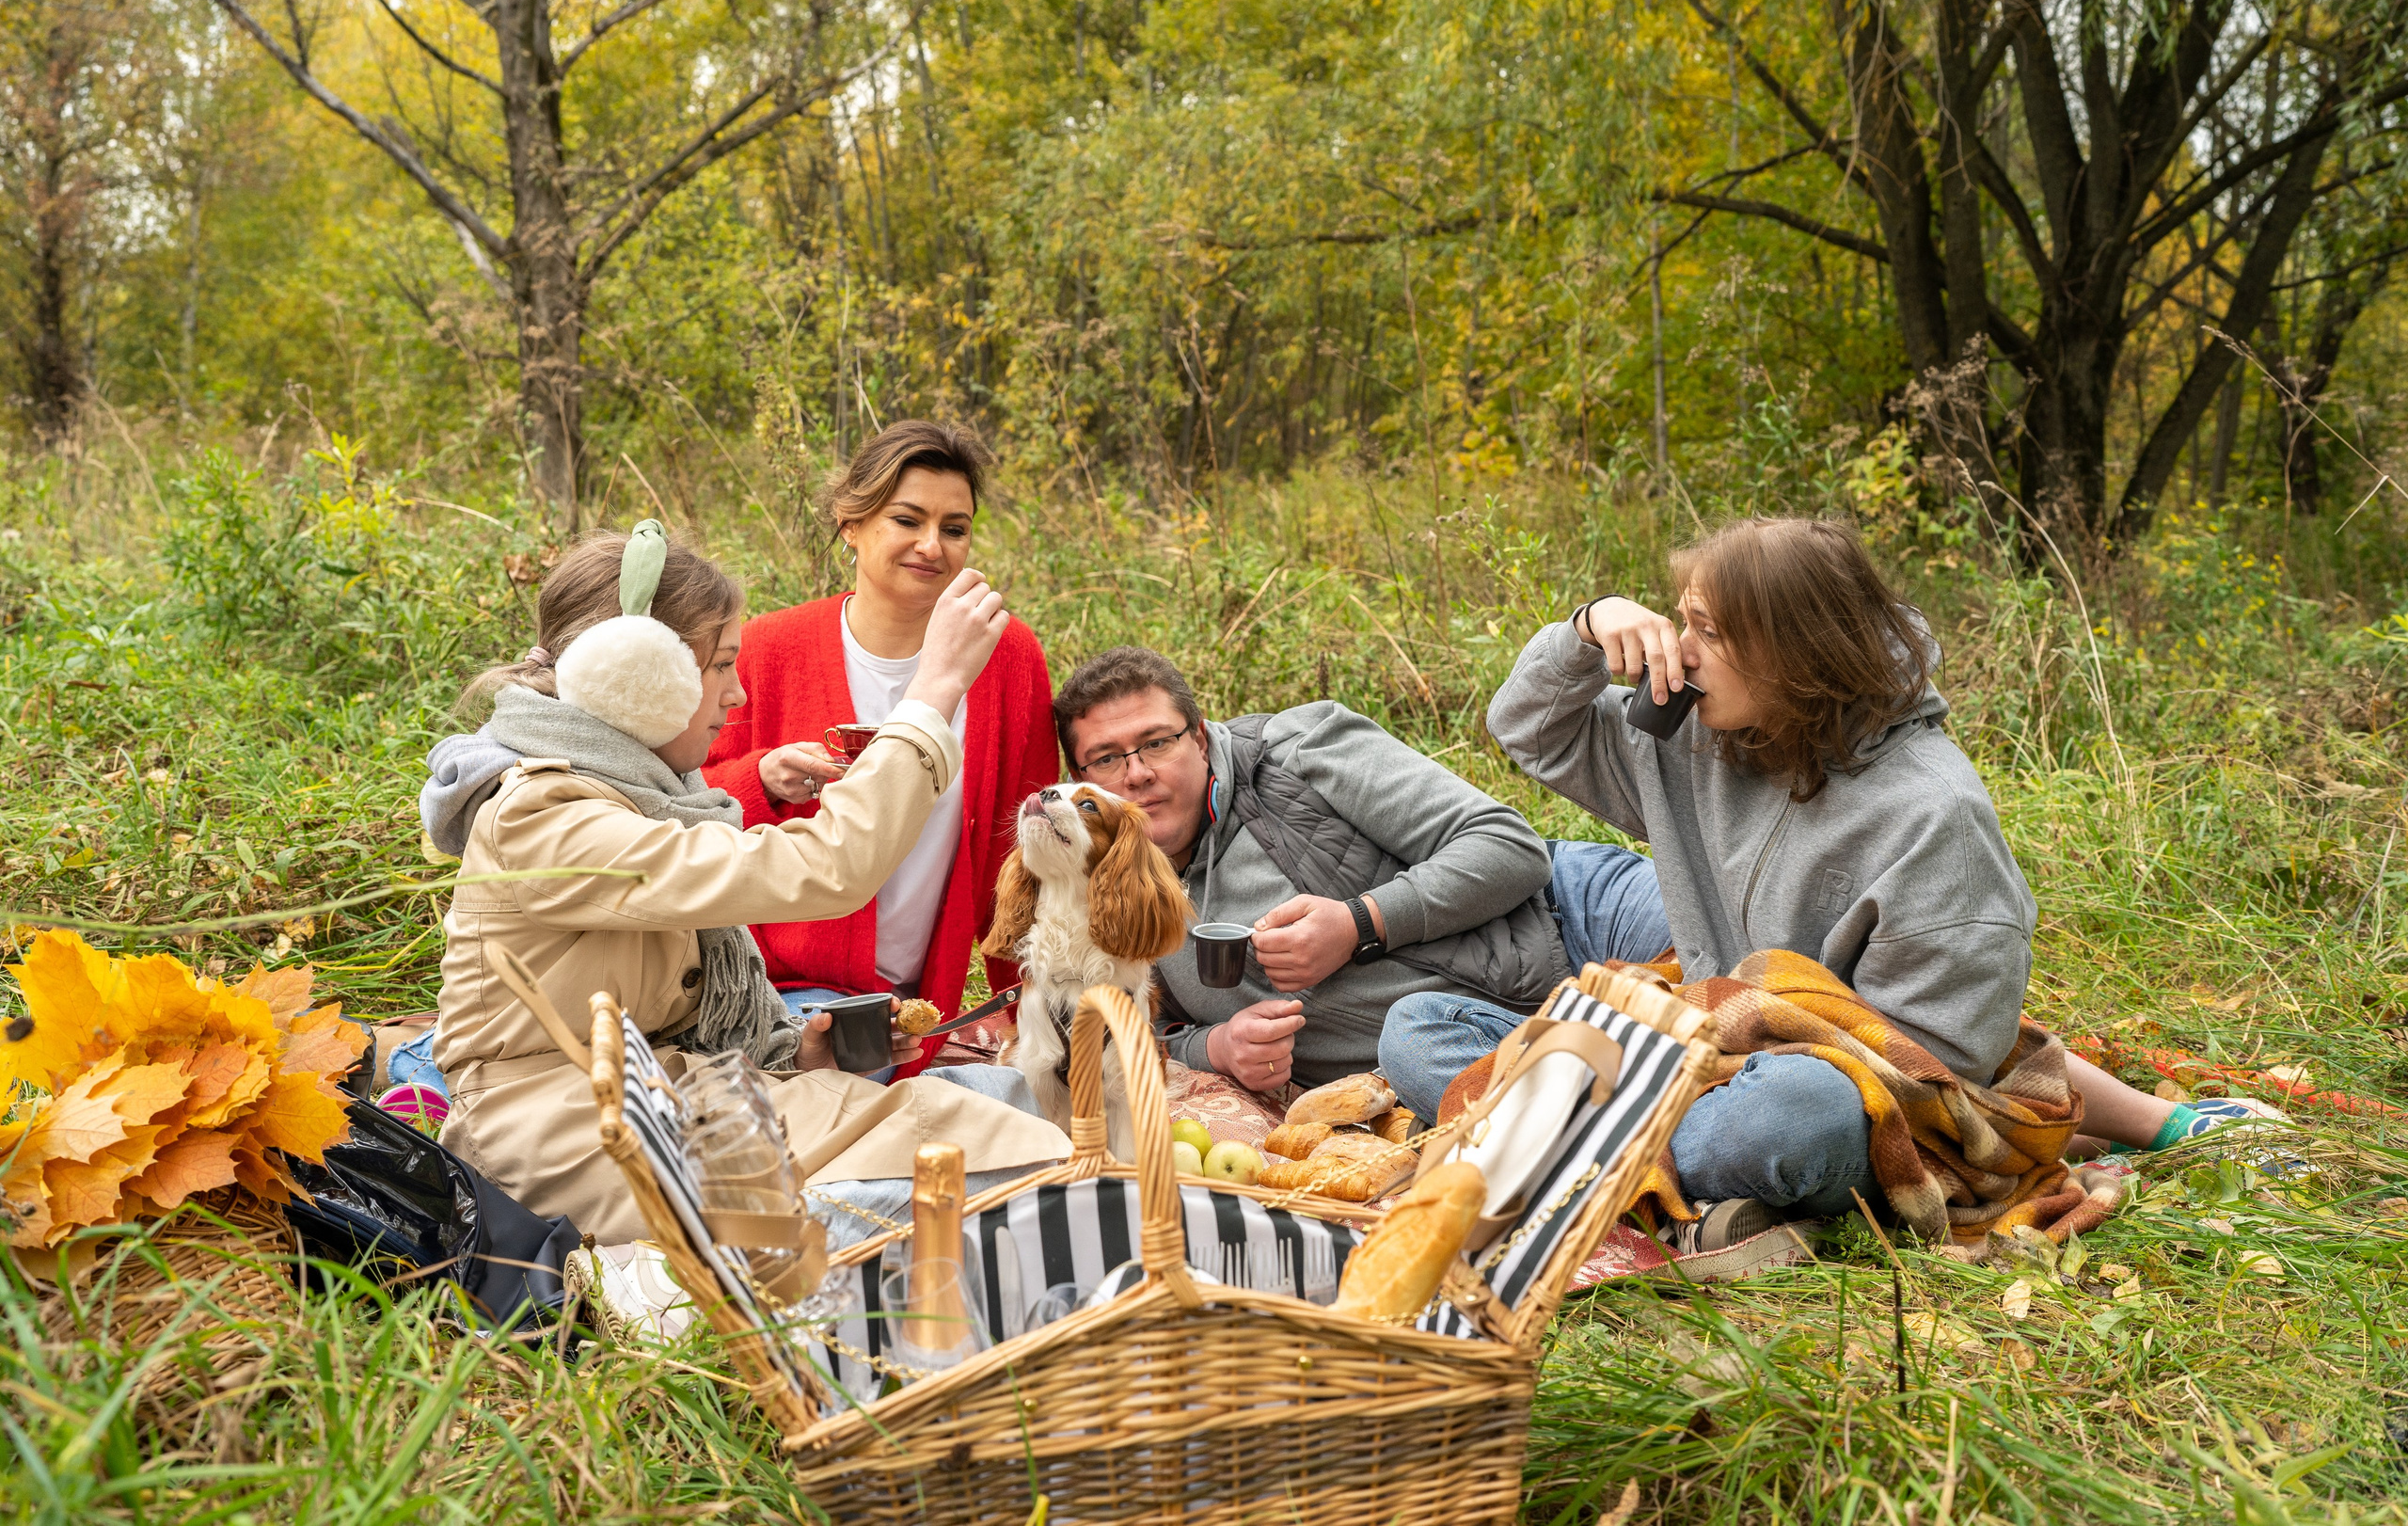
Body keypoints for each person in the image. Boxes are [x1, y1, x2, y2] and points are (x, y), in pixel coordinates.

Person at [1387, 517, 2273, 1249]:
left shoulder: (1932, 814)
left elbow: (1943, 1061)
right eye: (1681, 618)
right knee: (1417, 1028)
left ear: (1795, 653)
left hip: (1836, 1097)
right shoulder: (1700, 732)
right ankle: (1675, 1195)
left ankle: (1568, 1162)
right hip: (1704, 1060)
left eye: (1707, 630)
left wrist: (1742, 1051)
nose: (1680, 649)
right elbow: (1531, 730)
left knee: (1790, 1119)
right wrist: (1585, 630)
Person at [415, 522, 1067, 1246]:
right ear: (636, 674)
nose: (738, 693)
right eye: (721, 666)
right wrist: (933, 692)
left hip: (658, 1094)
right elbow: (828, 865)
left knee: (995, 1111)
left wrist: (799, 1055)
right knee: (966, 1157)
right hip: (553, 1136)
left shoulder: (644, 797)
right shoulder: (542, 819)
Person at [1051, 645, 1638, 1095]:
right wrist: (1216, 1048)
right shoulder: (1093, 885)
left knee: (1707, 961)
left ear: (1200, 740)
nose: (1137, 774)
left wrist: (1360, 923)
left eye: (1157, 742)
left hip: (1577, 918)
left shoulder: (1296, 750)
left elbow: (1510, 845)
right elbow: (1107, 1035)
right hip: (1447, 1045)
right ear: (1080, 779)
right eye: (1107, 758)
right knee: (1414, 1045)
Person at [700, 422, 1056, 1078]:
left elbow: (1024, 852)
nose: (932, 545)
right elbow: (686, 807)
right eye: (907, 520)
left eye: (954, 528)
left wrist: (1030, 1001)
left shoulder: (1007, 656)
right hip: (774, 992)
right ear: (851, 523)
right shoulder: (767, 650)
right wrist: (763, 778)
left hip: (909, 1015)